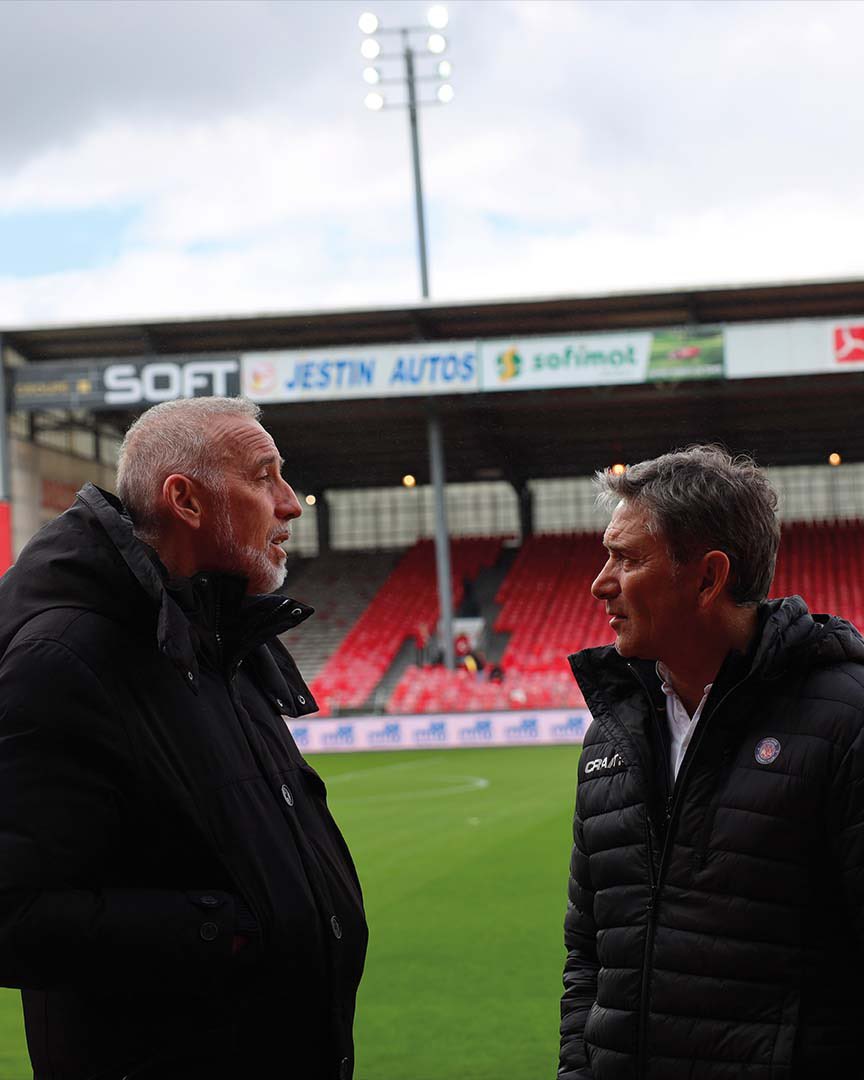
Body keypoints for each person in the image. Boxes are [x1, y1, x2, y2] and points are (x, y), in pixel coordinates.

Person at [0, 397, 367, 1080]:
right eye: (263, 477)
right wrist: (226, 931)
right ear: (185, 500)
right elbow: (13, 913)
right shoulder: (64, 658)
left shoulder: (220, 640)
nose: (290, 504)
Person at [558, 445, 864, 1079]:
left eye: (627, 559)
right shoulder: (610, 739)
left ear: (707, 578)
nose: (600, 583)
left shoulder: (847, 722)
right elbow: (588, 956)